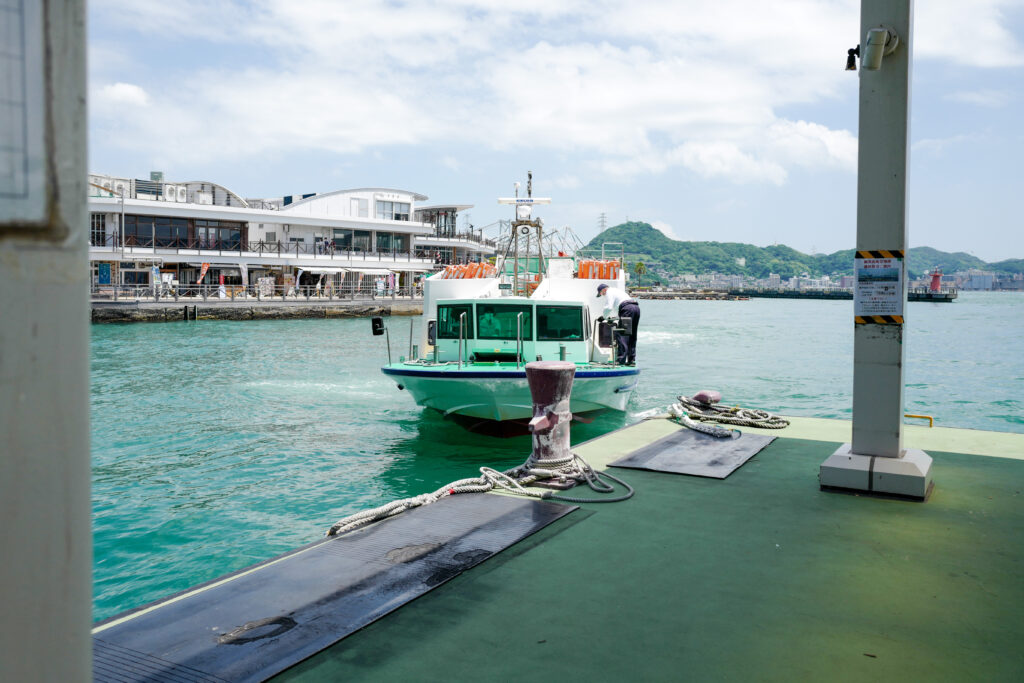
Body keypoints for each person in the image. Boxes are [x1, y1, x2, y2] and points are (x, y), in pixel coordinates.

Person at [597, 283, 640, 365]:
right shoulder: (617, 291)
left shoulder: (609, 292)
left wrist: (604, 317)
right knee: (632, 335)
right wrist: (613, 318)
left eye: (602, 294)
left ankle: (621, 360)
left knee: (622, 334)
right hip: (635, 308)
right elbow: (623, 312)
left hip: (627, 308)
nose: (603, 296)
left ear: (603, 290)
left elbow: (608, 307)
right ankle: (632, 360)